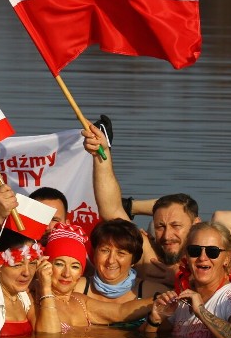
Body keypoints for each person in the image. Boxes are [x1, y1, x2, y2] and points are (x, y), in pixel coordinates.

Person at [81, 123, 201, 288]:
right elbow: (111, 210)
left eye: (176, 225)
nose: (167, 235)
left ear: (196, 224)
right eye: (160, 226)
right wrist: (101, 154)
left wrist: (182, 279)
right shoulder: (150, 258)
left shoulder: (214, 253)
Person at [144, 222, 231, 338]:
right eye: (195, 250)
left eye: (212, 252)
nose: (202, 257)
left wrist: (201, 311)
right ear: (186, 256)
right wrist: (155, 319)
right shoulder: (182, 299)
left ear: (227, 258)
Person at [34, 223, 154, 332]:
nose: (66, 274)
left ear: (81, 271)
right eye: (59, 264)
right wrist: (45, 289)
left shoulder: (80, 301)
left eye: (75, 267)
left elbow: (120, 311)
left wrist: (161, 299)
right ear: (46, 265)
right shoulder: (32, 298)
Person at [76, 218, 169, 303]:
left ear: (134, 259)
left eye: (121, 253)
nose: (111, 260)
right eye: (105, 251)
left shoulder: (155, 294)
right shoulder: (75, 289)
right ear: (94, 253)